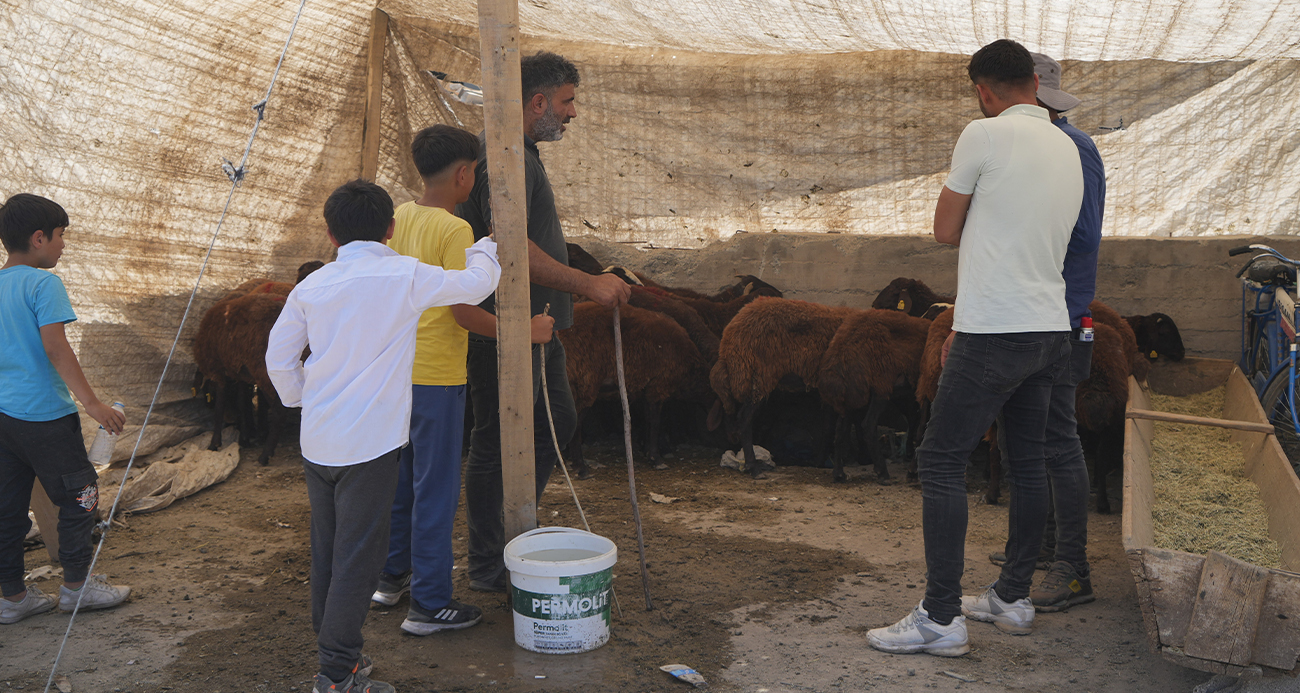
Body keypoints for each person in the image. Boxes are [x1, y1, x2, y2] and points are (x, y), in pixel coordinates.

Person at [867, 39, 1083, 657]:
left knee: (939, 461)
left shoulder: (982, 135)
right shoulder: (1067, 146)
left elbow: (944, 231)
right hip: (1049, 327)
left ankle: (939, 618)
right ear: (1034, 85)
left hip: (996, 331)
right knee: (1026, 461)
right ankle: (1013, 598)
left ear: (984, 90)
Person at [267, 180, 500, 693]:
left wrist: (303, 400)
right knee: (359, 558)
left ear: (330, 235)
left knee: (329, 550)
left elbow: (279, 358)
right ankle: (336, 672)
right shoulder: (404, 275)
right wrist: (487, 246)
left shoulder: (312, 286)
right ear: (391, 229)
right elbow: (476, 285)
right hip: (368, 447)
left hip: (319, 441)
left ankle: (336, 654)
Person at [456, 50, 631, 593]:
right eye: (567, 101)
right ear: (538, 102)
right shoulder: (501, 159)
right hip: (503, 325)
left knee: (555, 418)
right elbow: (511, 247)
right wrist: (590, 282)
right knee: (495, 440)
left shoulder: (520, 155)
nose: (572, 112)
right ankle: (489, 561)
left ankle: (516, 534)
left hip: (537, 322)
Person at [371, 125, 554, 635]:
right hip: (437, 379)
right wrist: (524, 332)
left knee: (404, 480)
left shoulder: (400, 218)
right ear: (464, 174)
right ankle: (429, 604)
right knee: (436, 488)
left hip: (399, 374)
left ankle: (391, 578)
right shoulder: (454, 231)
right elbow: (461, 311)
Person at [0, 194, 130, 626]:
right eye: (60, 237)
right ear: (39, 238)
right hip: (45, 417)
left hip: (3, 419)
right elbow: (56, 348)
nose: (62, 246)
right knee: (80, 498)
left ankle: (13, 597)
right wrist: (91, 403)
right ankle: (78, 589)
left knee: (8, 509)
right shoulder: (43, 284)